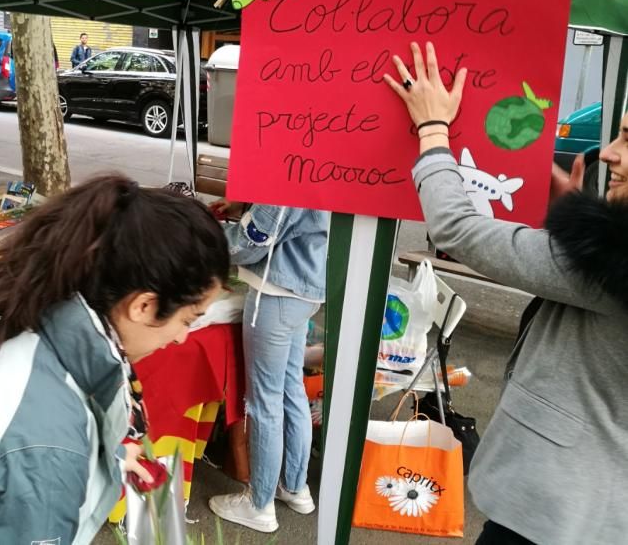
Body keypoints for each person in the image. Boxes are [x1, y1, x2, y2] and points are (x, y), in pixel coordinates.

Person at [0, 175, 230, 544]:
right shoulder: (43, 446)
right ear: (143, 305)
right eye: (188, 319)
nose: (183, 337)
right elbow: (29, 454)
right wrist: (68, 457)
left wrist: (107, 455)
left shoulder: (4, 311)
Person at [385, 41, 628, 545]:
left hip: (553, 509)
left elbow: (457, 229)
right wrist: (580, 220)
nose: (609, 152)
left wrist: (432, 131)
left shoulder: (612, 263)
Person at [208, 201, 328, 533]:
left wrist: (201, 232)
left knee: (264, 402)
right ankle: (294, 486)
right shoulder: (330, 161)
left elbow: (251, 240)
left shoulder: (289, 172)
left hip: (275, 292)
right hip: (307, 288)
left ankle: (259, 504)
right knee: (291, 389)